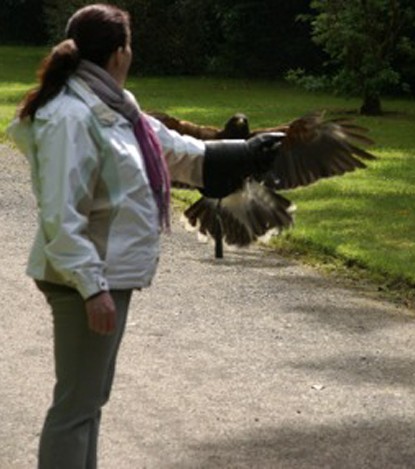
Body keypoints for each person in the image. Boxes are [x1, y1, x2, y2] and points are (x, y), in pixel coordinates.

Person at [7, 4, 282, 468]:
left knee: (89, 401)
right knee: (76, 407)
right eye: (130, 46)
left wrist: (246, 152)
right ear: (119, 53)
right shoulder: (71, 117)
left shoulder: (116, 108)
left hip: (104, 274)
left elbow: (177, 151)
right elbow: (60, 215)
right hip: (83, 278)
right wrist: (92, 288)